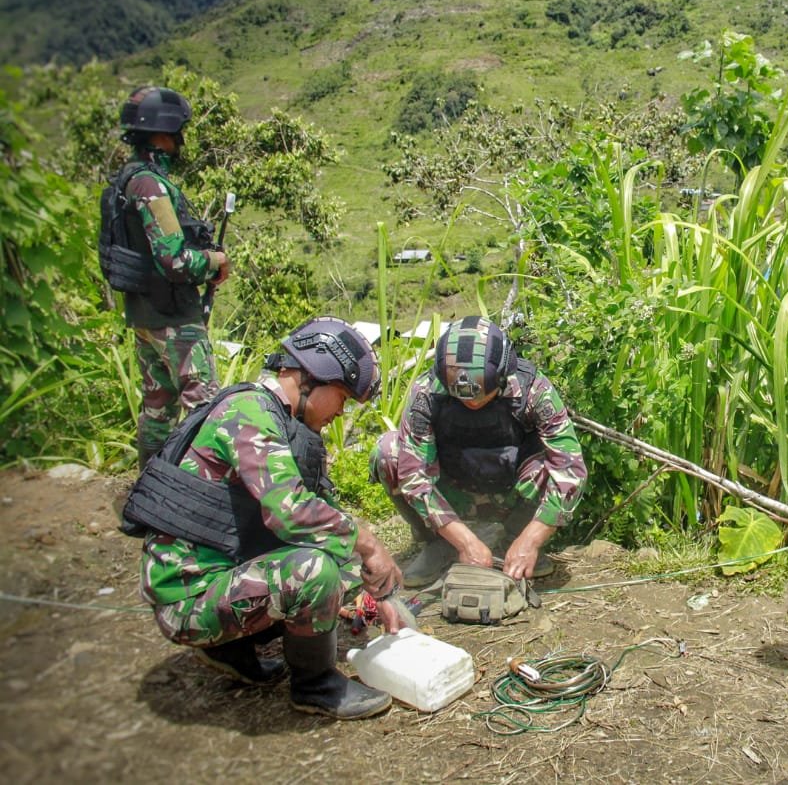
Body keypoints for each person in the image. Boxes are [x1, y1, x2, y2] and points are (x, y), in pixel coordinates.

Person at [122, 317, 405, 720]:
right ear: (311, 378)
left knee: (336, 571)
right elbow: (293, 512)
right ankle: (316, 686)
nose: (341, 411)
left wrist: (375, 593)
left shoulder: (283, 423)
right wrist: (370, 543)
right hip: (186, 597)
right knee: (313, 572)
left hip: (217, 572)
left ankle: (230, 649)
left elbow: (324, 517)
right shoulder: (249, 412)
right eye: (341, 397)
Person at [372, 316, 587, 586]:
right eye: (462, 397)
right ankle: (440, 543)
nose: (472, 403)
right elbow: (414, 477)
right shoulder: (427, 394)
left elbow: (571, 468)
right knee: (389, 452)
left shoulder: (532, 388)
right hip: (454, 492)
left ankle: (514, 542)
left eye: (481, 395)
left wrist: (531, 539)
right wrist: (464, 541)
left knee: (555, 463)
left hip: (513, 492)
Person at [112, 85, 231, 468]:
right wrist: (214, 260)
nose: (181, 139)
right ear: (163, 132)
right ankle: (196, 491)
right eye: (178, 130)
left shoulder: (127, 179)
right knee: (204, 408)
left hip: (144, 313)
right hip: (173, 318)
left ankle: (148, 486)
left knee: (157, 408)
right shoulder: (150, 185)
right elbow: (174, 260)